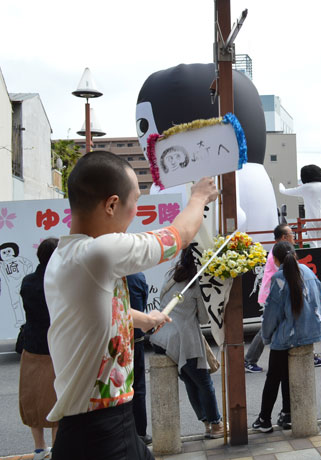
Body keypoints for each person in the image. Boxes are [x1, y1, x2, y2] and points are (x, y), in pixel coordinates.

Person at [44, 151, 218, 460]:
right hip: (100, 434)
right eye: (134, 201)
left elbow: (97, 310)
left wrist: (142, 318)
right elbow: (179, 235)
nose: (136, 211)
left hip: (94, 427)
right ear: (111, 204)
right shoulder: (100, 252)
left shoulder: (63, 256)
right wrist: (199, 196)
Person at [251, 241, 321, 432]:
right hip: (309, 334)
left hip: (285, 337)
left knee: (274, 377)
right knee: (287, 376)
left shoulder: (278, 278)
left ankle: (264, 419)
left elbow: (271, 314)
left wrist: (266, 337)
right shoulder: (308, 273)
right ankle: (288, 414)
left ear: (275, 259)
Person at [151, 247, 223, 438]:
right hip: (185, 340)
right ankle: (216, 424)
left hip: (164, 338)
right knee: (204, 383)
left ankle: (207, 422)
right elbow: (204, 318)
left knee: (191, 382)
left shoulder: (171, 277)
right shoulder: (195, 284)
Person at [245, 224, 321, 373]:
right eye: (291, 234)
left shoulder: (282, 253)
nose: (294, 237)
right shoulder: (278, 255)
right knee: (269, 326)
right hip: (274, 295)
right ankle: (249, 360)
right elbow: (290, 275)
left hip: (277, 294)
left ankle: (308, 354)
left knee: (286, 321)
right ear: (284, 237)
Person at [19, 238, 59, 460]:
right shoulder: (60, 283)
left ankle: (39, 449)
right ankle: (56, 448)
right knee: (57, 399)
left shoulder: (27, 282)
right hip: (56, 348)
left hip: (32, 346)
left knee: (32, 399)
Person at [126, 272, 150, 445]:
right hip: (136, 338)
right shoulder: (137, 277)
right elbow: (143, 302)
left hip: (114, 341)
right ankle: (140, 432)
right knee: (138, 387)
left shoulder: (107, 274)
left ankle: (124, 433)